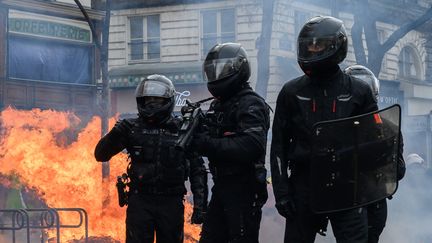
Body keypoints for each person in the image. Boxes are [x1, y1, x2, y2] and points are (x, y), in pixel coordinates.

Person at [270, 16, 379, 243]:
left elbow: (377, 137)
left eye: (318, 44)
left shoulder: (359, 91)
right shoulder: (291, 91)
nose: (312, 49)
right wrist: (281, 192)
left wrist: (380, 178)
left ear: (335, 45)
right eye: (309, 45)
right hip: (304, 183)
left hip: (348, 185)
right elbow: (278, 145)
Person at [94, 74, 208, 243]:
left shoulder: (182, 130)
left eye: (157, 100)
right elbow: (100, 155)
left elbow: (197, 170)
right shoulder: (131, 128)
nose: (152, 104)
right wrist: (115, 133)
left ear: (168, 101)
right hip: (140, 201)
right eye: (148, 99)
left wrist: (200, 206)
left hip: (171, 202)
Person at [190, 42, 270, 243]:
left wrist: (206, 143)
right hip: (222, 185)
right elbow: (207, 138)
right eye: (213, 70)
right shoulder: (218, 105)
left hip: (244, 188)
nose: (216, 75)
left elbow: (251, 145)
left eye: (222, 69)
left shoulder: (251, 103)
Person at [344, 64, 406, 243]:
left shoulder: (388, 128)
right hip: (348, 202)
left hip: (373, 199)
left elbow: (398, 170)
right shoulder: (337, 128)